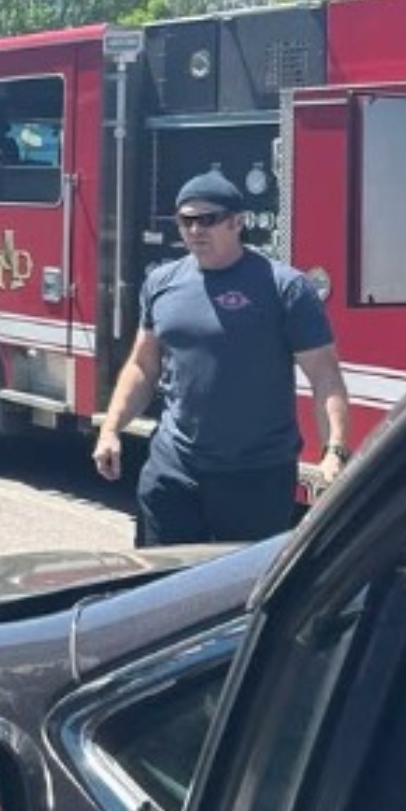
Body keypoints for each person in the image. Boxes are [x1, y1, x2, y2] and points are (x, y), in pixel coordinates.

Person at [94, 169, 352, 545]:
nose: (195, 230)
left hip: (257, 474)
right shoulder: (162, 283)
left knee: (242, 578)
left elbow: (325, 377)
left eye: (208, 219)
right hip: (174, 467)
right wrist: (110, 430)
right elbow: (143, 366)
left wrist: (335, 451)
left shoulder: (285, 288)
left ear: (237, 222)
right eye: (186, 220)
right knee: (161, 575)